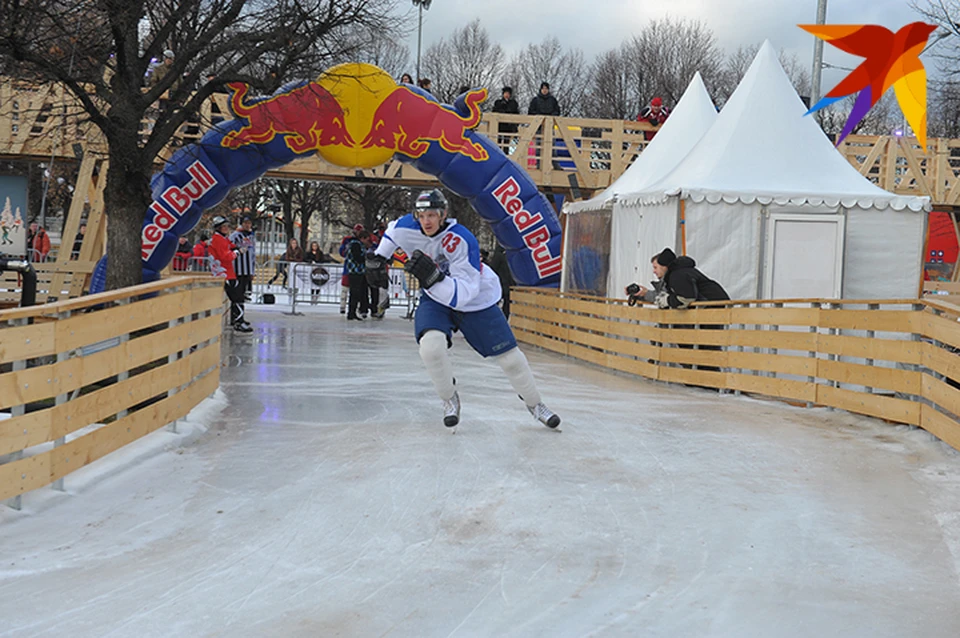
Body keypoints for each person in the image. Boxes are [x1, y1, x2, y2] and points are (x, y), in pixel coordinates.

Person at [365, 189, 561, 429]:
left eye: (432, 215)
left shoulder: (462, 239)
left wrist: (435, 277)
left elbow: (464, 294)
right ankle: (449, 399)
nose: (426, 221)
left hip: (474, 299)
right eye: (422, 215)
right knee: (431, 347)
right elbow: (392, 231)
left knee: (511, 360)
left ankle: (535, 404)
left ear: (443, 215)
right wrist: (378, 257)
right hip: (436, 297)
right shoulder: (407, 226)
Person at [209, 216, 252, 332]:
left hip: (227, 272)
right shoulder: (218, 239)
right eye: (223, 227)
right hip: (224, 273)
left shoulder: (223, 238)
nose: (226, 228)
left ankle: (238, 320)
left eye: (227, 226)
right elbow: (226, 256)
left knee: (237, 296)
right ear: (218, 228)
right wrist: (238, 252)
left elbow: (231, 246)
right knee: (237, 297)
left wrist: (240, 246)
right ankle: (238, 322)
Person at [650, 248, 729, 309]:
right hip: (715, 307)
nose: (654, 271)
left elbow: (686, 298)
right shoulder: (679, 272)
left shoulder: (677, 275)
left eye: (655, 267)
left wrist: (667, 301)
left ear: (664, 266)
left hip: (713, 308)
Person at [344, 230, 370, 320]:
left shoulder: (358, 245)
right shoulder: (355, 245)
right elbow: (357, 258)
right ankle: (351, 313)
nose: (367, 242)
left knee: (359, 293)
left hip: (359, 272)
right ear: (362, 238)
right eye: (367, 240)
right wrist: (366, 258)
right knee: (354, 293)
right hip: (355, 272)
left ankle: (354, 312)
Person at [229, 216, 257, 299]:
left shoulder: (251, 236)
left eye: (249, 223)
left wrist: (252, 270)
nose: (247, 225)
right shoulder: (235, 235)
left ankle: (241, 301)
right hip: (238, 268)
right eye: (245, 223)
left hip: (247, 268)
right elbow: (230, 247)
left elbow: (253, 252)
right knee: (237, 289)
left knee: (244, 289)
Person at [487, 244, 515, 320]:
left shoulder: (504, 254)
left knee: (505, 303)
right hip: (502, 283)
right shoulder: (500, 255)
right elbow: (493, 268)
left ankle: (502, 319)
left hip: (506, 283)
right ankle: (495, 318)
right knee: (500, 302)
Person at [492, 86, 519, 151]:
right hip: (500, 126)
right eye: (505, 93)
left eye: (508, 94)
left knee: (507, 144)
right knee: (498, 143)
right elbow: (494, 112)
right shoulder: (498, 102)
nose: (507, 95)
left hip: (508, 127)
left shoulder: (513, 103)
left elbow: (516, 113)